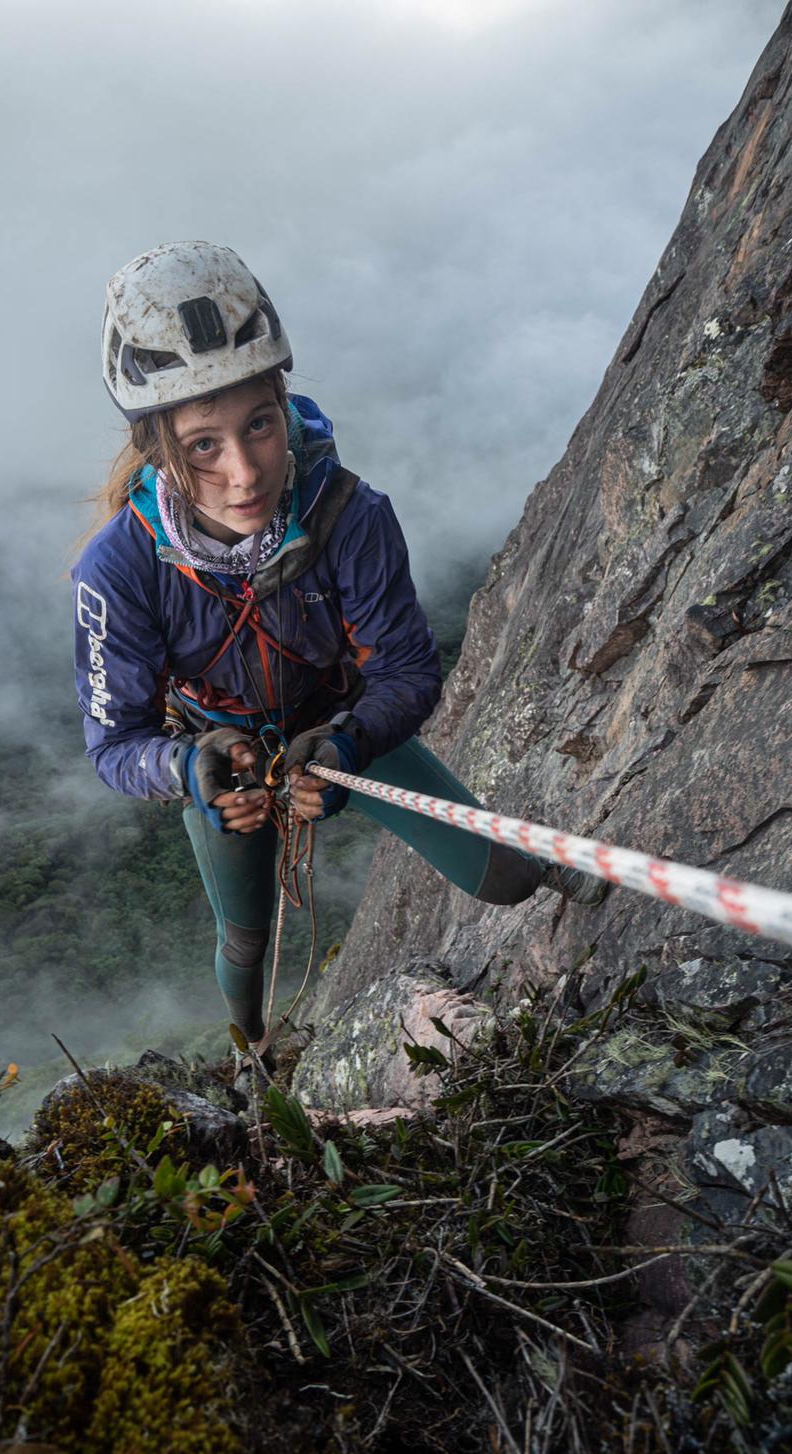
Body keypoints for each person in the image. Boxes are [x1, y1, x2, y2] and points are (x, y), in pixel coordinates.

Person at [73, 242, 604, 1053]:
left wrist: (350, 742)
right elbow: (116, 743)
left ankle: (566, 872)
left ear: (285, 404)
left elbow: (405, 670)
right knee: (245, 939)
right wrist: (191, 768)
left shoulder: (348, 516)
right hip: (226, 757)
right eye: (203, 445)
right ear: (157, 448)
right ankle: (251, 1045)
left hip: (337, 721)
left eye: (259, 425)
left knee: (501, 880)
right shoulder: (119, 567)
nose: (245, 473)